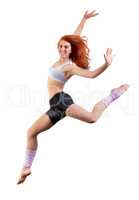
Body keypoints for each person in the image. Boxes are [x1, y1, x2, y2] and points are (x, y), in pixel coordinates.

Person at [17, 10, 129, 184]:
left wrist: (106, 65)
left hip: (62, 101)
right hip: (55, 106)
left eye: (66, 47)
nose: (63, 49)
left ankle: (113, 95)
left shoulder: (69, 67)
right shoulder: (61, 59)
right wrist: (84, 19)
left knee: (92, 118)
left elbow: (91, 75)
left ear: (70, 51)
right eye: (61, 46)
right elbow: (74, 37)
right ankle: (26, 168)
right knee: (31, 133)